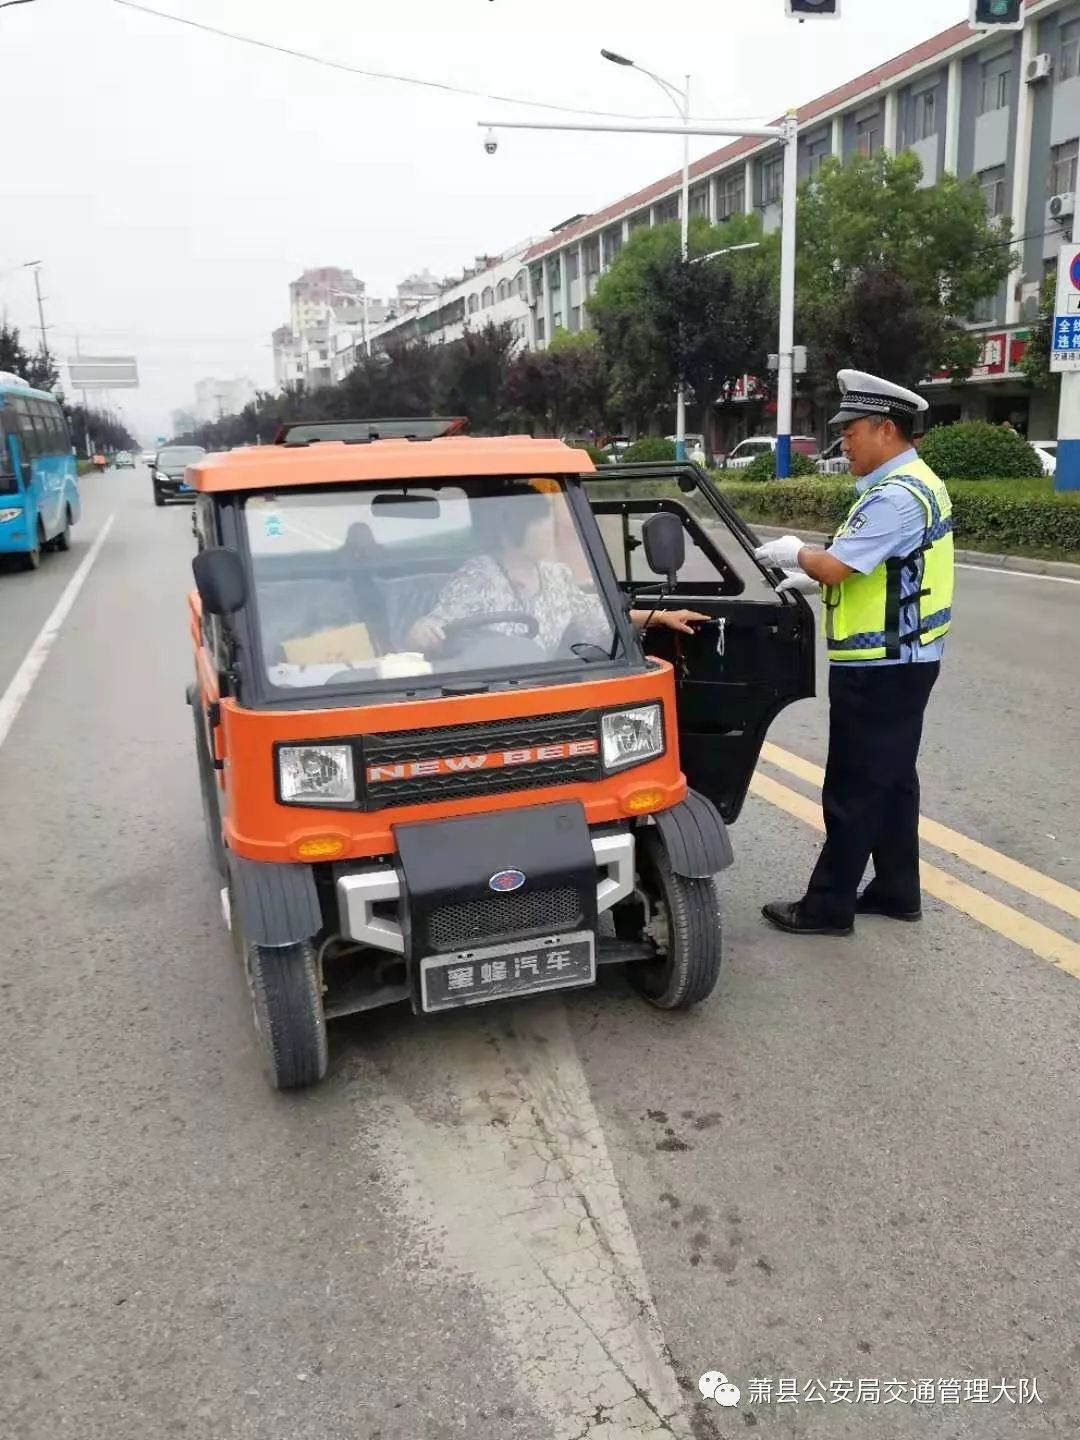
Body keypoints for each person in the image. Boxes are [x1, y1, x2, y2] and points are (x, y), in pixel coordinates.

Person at [753, 369, 954, 937]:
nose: (844, 444)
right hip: (904, 660)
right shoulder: (916, 483)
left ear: (886, 429)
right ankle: (896, 889)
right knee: (891, 780)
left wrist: (799, 555)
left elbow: (841, 563)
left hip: (883, 666)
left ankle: (827, 907)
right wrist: (816, 582)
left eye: (852, 432)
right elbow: (885, 570)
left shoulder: (895, 496)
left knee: (853, 787)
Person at [408, 487, 706, 654]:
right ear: (511, 531)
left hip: (550, 689)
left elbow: (599, 618)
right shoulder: (477, 576)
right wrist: (422, 632)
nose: (549, 530)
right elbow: (434, 627)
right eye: (539, 523)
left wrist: (664, 617)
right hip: (492, 696)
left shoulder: (556, 576)